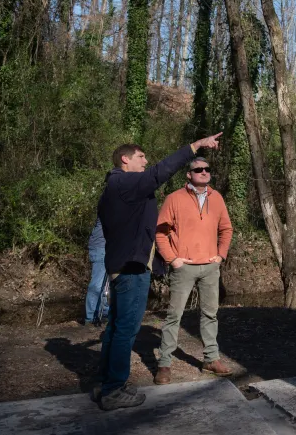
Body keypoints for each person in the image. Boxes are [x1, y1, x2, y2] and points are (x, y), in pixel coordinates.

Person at [94, 133, 222, 411]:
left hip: (121, 266)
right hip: (130, 269)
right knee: (126, 331)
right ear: (125, 160)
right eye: (141, 157)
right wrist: (195, 146)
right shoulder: (124, 182)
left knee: (115, 328)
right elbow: (160, 172)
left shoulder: (114, 188)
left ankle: (105, 384)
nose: (146, 161)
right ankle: (114, 389)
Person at [153, 157, 234, 384]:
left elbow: (226, 229)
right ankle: (165, 364)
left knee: (210, 314)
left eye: (207, 169)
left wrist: (220, 255)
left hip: (210, 267)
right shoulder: (174, 199)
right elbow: (160, 232)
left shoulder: (216, 198)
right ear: (189, 174)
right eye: (198, 169)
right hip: (183, 267)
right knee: (173, 316)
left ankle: (211, 359)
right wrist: (172, 259)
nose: (203, 172)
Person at [85, 218, 109, 325]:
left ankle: (103, 314)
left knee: (106, 285)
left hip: (106, 248)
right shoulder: (110, 206)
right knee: (97, 285)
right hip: (101, 248)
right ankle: (90, 317)